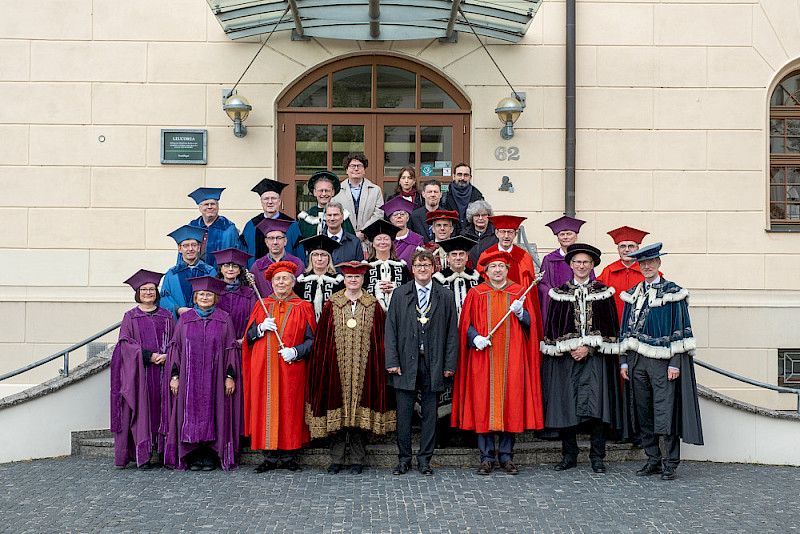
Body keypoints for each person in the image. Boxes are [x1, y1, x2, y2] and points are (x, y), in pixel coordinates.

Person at [452, 250, 544, 475]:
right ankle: (485, 457)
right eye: (493, 267)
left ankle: (506, 456)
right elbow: (465, 323)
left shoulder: (519, 292)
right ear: (486, 270)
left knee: (510, 402)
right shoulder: (476, 293)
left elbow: (532, 325)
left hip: (512, 357)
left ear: (507, 269)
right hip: (483, 358)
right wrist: (475, 338)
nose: (497, 270)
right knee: (483, 403)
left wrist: (521, 313)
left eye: (501, 266)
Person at [619, 243, 703, 481]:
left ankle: (670, 462)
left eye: (650, 262)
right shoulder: (633, 293)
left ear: (658, 264)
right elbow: (625, 329)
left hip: (663, 363)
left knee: (665, 412)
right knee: (643, 410)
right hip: (636, 361)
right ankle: (652, 459)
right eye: (642, 263)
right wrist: (624, 361)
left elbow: (681, 329)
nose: (646, 266)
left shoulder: (673, 292)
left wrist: (676, 361)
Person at [306, 261, 396, 475]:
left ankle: (357, 460)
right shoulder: (332, 303)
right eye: (349, 277)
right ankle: (336, 459)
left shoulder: (373, 305)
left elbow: (380, 340)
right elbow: (322, 339)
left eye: (357, 277)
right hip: (336, 368)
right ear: (344, 279)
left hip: (364, 370)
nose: (353, 280)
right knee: (337, 416)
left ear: (363, 279)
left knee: (358, 419)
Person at [540, 244, 622, 474]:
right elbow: (552, 329)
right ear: (570, 265)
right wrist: (570, 348)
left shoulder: (604, 293)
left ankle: (597, 457)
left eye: (586, 262)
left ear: (593, 265)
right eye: (577, 262)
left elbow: (611, 329)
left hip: (595, 359)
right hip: (567, 360)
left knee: (597, 408)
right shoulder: (559, 293)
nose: (581, 266)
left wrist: (590, 348)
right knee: (566, 407)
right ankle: (569, 455)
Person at [385, 250, 459, 476]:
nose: (423, 269)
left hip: (433, 362)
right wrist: (392, 361)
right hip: (405, 363)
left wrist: (449, 365)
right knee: (404, 415)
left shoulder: (445, 296)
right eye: (419, 265)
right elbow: (391, 330)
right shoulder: (400, 294)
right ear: (412, 269)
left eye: (427, 265)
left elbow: (451, 333)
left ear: (433, 268)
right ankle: (404, 459)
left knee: (430, 414)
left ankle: (425, 459)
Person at [243, 261, 317, 473]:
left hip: (291, 369)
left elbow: (312, 341)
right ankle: (268, 456)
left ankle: (289, 456)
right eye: (277, 279)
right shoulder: (261, 306)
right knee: (265, 409)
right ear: (271, 283)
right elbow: (248, 338)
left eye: (285, 278)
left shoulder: (304, 307)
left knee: (289, 408)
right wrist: (259, 328)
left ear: (293, 282)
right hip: (263, 369)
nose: (281, 282)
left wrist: (295, 351)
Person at [162, 275, 242, 472]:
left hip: (215, 378)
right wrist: (175, 377)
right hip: (189, 379)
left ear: (215, 298)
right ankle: (194, 455)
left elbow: (231, 349)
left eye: (209, 294)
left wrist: (229, 377)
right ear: (195, 297)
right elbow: (175, 349)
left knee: (215, 411)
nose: (205, 297)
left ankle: (210, 456)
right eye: (201, 294)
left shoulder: (224, 319)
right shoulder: (185, 319)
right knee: (189, 414)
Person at [111, 269, 175, 469]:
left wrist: (168, 355)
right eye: (144, 289)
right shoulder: (130, 317)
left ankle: (166, 454)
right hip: (142, 374)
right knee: (142, 412)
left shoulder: (167, 315)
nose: (148, 292)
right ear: (138, 293)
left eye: (151, 289)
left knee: (165, 410)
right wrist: (148, 356)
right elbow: (125, 345)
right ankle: (144, 455)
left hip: (165, 372)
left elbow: (176, 341)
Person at [538, 215, 593, 323]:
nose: (565, 237)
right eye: (562, 234)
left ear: (576, 236)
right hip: (557, 307)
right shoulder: (549, 259)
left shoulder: (584, 258)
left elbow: (591, 280)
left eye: (569, 234)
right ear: (558, 237)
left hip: (581, 305)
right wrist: (554, 296)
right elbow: (543, 284)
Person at [597, 226, 654, 324]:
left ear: (638, 249)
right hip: (614, 326)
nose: (626, 250)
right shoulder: (608, 272)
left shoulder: (648, 272)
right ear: (618, 249)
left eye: (631, 246)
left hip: (643, 327)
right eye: (622, 246)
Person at [240, 178, 303, 265]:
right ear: (261, 202)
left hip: (285, 275)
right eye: (266, 199)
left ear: (279, 202)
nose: (270, 202)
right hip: (256, 276)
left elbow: (299, 255)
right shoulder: (252, 225)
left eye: (273, 198)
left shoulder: (291, 225)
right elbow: (244, 256)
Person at [160, 225, 216, 320]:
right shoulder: (172, 274)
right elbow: (164, 298)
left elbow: (216, 298)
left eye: (193, 245)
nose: (190, 249)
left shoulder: (209, 272)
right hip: (179, 322)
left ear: (199, 248)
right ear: (180, 249)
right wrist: (178, 310)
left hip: (205, 321)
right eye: (185, 245)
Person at [331, 153, 384, 243]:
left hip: (369, 240)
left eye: (359, 166)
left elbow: (379, 214)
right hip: (344, 240)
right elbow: (334, 215)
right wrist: (351, 233)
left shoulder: (375, 190)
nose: (356, 169)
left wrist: (364, 232)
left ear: (364, 170)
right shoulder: (337, 191)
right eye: (352, 166)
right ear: (347, 170)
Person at [249, 218, 306, 300]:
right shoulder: (257, 267)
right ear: (266, 242)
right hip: (266, 311)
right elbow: (253, 296)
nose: (275, 242)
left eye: (279, 238)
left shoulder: (297, 264)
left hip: (291, 310)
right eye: (271, 238)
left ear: (285, 241)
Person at [476, 215, 538, 289]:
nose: (506, 236)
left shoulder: (524, 257)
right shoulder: (486, 255)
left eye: (510, 232)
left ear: (515, 234)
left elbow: (531, 289)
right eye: (502, 232)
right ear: (496, 233)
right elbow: (480, 286)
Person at [186, 187, 240, 270]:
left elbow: (234, 256)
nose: (210, 207)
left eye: (213, 204)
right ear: (200, 208)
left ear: (218, 207)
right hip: (194, 274)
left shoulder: (228, 228)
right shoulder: (193, 227)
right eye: (206, 204)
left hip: (219, 276)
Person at [211, 248, 256, 345]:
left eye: (234, 266)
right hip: (217, 343)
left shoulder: (249, 294)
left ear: (240, 270)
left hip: (242, 343)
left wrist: (246, 338)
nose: (230, 269)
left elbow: (254, 319)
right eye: (226, 265)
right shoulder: (213, 292)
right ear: (221, 269)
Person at [363, 219, 410, 311]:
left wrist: (395, 290)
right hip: (372, 312)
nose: (383, 242)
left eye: (386, 239)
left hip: (397, 311)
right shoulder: (365, 267)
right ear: (373, 244)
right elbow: (361, 290)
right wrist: (376, 289)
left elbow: (408, 288)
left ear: (391, 243)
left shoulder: (401, 266)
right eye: (379, 239)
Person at [294, 234, 344, 321]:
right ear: (311, 258)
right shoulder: (302, 281)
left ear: (329, 258)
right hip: (307, 327)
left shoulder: (338, 281)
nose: (319, 259)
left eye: (323, 255)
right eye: (315, 255)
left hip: (331, 326)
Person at [296, 170, 356, 241]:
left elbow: (352, 243)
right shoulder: (306, 218)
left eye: (327, 190)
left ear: (333, 192)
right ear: (314, 192)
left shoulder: (342, 217)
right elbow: (298, 245)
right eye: (321, 190)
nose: (324, 194)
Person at [432, 235, 482, 319]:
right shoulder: (438, 280)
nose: (458, 258)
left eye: (461, 254)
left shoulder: (477, 278)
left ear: (466, 257)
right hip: (447, 325)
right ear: (448, 258)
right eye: (454, 254)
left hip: (472, 324)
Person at [380, 195, 425, 268]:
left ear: (407, 218)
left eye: (402, 214)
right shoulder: (384, 240)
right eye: (395, 215)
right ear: (391, 220)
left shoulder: (417, 240)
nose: (399, 217)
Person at [441, 162, 484, 232]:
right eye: (459, 174)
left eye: (466, 175)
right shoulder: (444, 198)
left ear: (470, 177)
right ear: (453, 176)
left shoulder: (478, 198)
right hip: (449, 238)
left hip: (471, 238)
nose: (462, 178)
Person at [462, 200, 497, 267]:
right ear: (472, 217)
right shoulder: (464, 235)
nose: (480, 218)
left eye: (484, 215)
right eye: (477, 215)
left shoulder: (496, 234)